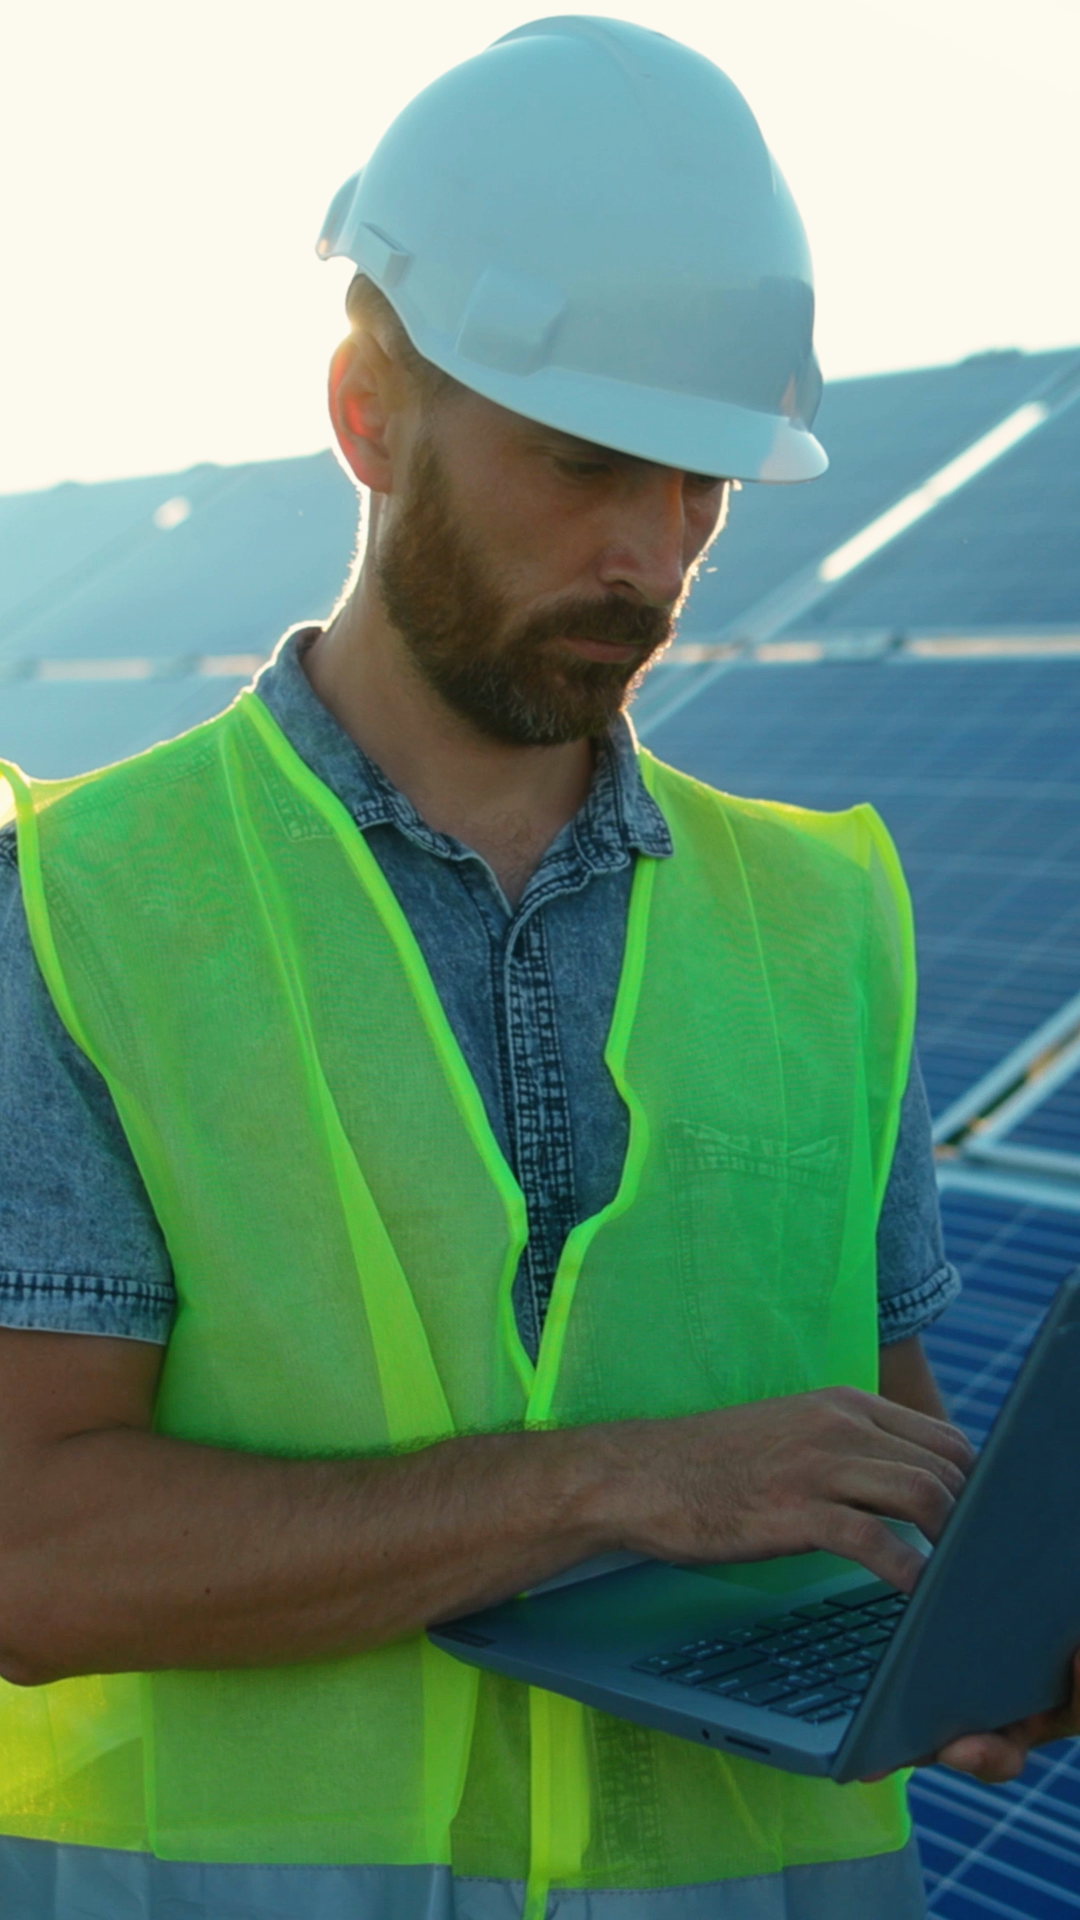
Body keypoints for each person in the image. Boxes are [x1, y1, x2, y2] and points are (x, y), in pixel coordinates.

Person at [0, 17, 1077, 1920]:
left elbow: (882, 1463)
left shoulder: (823, 921)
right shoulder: (87, 910)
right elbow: (30, 1554)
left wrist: (989, 1619)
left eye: (704, 487)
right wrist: (603, 1485)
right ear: (369, 414)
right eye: (586, 466)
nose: (651, 557)